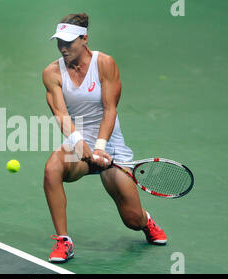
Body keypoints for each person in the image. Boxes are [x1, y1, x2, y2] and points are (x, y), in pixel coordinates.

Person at [42, 13, 167, 263]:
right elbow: (60, 113)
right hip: (77, 143)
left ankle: (146, 220)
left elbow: (110, 109)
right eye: (60, 42)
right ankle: (64, 240)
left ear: (85, 39)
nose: (63, 48)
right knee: (51, 169)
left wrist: (99, 147)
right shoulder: (52, 73)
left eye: (69, 42)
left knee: (132, 220)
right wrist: (78, 142)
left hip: (111, 147)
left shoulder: (105, 63)